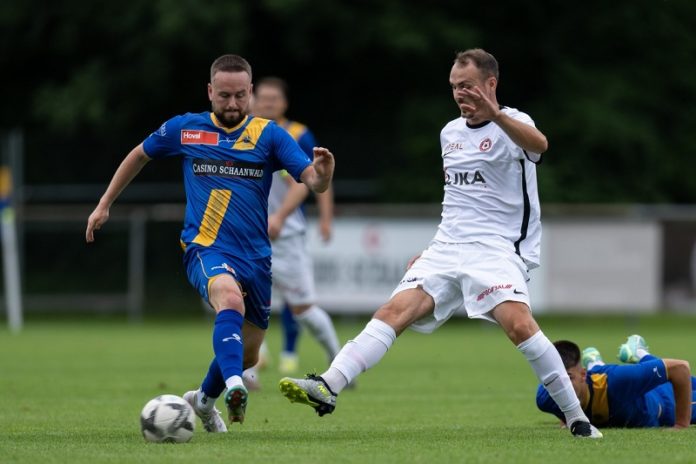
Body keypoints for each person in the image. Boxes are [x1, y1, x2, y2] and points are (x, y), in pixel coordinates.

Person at [278, 48, 602, 438]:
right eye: (454, 86)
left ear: (491, 84)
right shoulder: (450, 133)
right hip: (447, 247)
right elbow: (457, 200)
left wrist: (496, 115)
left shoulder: (514, 122)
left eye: (467, 85)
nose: (459, 93)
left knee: (519, 326)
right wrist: (431, 248)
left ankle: (578, 419)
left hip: (497, 249)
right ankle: (329, 384)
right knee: (393, 312)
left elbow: (540, 145)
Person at [85, 54, 334, 432]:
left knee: (249, 353)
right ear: (209, 92)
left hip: (256, 256)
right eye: (224, 96)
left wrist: (324, 175)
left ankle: (203, 400)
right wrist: (105, 203)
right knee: (228, 299)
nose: (232, 104)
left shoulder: (269, 135)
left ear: (250, 92)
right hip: (205, 247)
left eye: (240, 96)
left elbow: (311, 181)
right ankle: (236, 386)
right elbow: (139, 155)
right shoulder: (186, 129)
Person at [246, 77, 340, 380]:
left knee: (304, 309)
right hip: (249, 233)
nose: (267, 103)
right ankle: (248, 370)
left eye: (274, 98)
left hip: (285, 235)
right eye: (263, 97)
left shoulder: (296, 135)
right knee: (237, 301)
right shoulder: (243, 133)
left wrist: (285, 217)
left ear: (285, 103)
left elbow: (315, 179)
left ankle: (339, 362)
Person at [537, 335, 695, 428]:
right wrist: (566, 418)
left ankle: (639, 353)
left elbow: (680, 369)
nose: (562, 386)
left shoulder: (618, 380)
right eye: (556, 380)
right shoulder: (546, 396)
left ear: (582, 375)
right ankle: (595, 363)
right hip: (597, 380)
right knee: (598, 377)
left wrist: (681, 424)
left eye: (569, 377)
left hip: (663, 399)